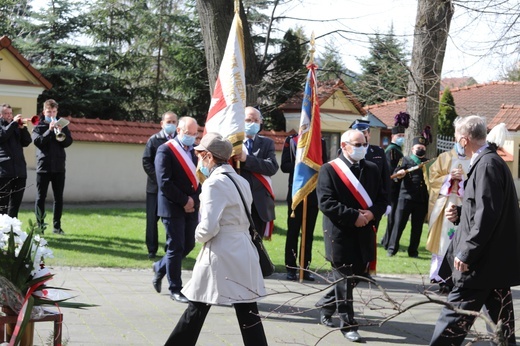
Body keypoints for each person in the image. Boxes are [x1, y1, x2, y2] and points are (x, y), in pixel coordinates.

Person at [164, 132, 267, 345]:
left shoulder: (214, 183)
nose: (198, 159)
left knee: (198, 306)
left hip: (221, 250)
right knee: (247, 310)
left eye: (201, 154)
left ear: (209, 157)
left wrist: (197, 235)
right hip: (242, 248)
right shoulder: (240, 180)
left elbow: (209, 226)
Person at [430, 116, 520, 345]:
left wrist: (467, 252)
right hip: (491, 261)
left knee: (453, 321)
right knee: (503, 325)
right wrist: (461, 215)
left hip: (479, 263)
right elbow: (484, 209)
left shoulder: (487, 164)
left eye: (455, 139)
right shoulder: (489, 161)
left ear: (463, 140)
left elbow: (487, 214)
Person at [315, 129, 387, 343]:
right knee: (344, 278)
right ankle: (348, 325)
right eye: (357, 144)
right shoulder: (329, 170)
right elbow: (326, 203)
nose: (362, 148)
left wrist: (373, 213)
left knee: (355, 276)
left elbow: (383, 198)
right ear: (344, 146)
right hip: (339, 232)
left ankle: (326, 305)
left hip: (364, 231)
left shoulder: (372, 169)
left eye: (364, 144)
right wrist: (353, 216)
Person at [152, 116, 201, 303]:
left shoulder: (196, 152)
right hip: (172, 207)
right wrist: (184, 201)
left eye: (195, 134)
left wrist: (194, 201)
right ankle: (175, 289)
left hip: (191, 206)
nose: (192, 137)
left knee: (188, 245)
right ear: (178, 131)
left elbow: (200, 180)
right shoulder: (165, 150)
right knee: (176, 246)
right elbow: (164, 182)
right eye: (188, 133)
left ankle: (160, 267)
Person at [281, 133, 327, 281]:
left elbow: (324, 165)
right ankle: (291, 268)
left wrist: (313, 165)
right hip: (296, 192)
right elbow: (284, 166)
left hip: (313, 193)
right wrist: (301, 164)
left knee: (308, 233)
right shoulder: (292, 141)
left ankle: (305, 268)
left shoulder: (320, 141)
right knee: (293, 232)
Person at [426, 144, 470, 293]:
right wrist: (449, 177)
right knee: (444, 241)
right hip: (447, 204)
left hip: (466, 206)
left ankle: (459, 277)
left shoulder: (475, 159)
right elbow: (432, 178)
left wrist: (463, 179)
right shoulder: (444, 158)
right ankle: (441, 277)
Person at [350, 119, 390, 278]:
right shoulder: (348, 151)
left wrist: (388, 203)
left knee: (370, 236)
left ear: (369, 134)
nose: (363, 135)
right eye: (360, 132)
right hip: (354, 201)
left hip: (373, 204)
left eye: (365, 132)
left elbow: (385, 178)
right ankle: (353, 266)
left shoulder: (378, 152)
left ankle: (367, 268)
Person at [233, 106, 279, 237]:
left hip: (259, 204)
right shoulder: (233, 143)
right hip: (238, 201)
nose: (252, 123)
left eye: (256, 120)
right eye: (248, 120)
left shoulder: (267, 143)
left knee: (256, 246)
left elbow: (272, 167)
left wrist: (246, 159)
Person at [32, 99, 73, 234]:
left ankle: (57, 227)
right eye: (49, 112)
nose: (52, 114)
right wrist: (50, 131)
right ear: (44, 112)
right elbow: (38, 142)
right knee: (40, 197)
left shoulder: (63, 125)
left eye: (54, 112)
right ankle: (40, 226)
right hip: (43, 166)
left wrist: (61, 133)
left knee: (58, 198)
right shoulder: (39, 126)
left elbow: (68, 142)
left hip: (59, 167)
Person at [142, 111, 178, 259]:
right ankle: (152, 249)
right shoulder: (154, 140)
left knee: (171, 219)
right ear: (162, 124)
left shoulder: (179, 141)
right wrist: (160, 179)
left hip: (173, 189)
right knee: (152, 220)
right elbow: (146, 162)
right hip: (154, 188)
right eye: (168, 122)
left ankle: (170, 248)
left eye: (174, 122)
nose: (171, 125)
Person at [386, 136, 429, 257]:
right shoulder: (405, 160)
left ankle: (413, 251)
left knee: (417, 227)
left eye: (422, 147)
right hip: (405, 198)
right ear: (412, 149)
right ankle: (392, 249)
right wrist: (399, 174)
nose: (420, 149)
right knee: (399, 224)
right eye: (418, 147)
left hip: (421, 200)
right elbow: (395, 174)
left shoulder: (428, 162)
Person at [0, 104, 32, 218]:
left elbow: (27, 141)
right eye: (6, 114)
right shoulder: (3, 126)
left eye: (10, 113)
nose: (9, 116)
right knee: (2, 205)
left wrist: (23, 129)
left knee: (15, 204)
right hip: (4, 171)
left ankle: (13, 231)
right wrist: (13, 123)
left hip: (19, 170)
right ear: (1, 115)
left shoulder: (16, 127)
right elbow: (2, 136)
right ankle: (2, 232)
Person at [380, 125, 406, 249]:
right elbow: (391, 170)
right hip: (393, 187)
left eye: (403, 136)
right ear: (393, 137)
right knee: (392, 216)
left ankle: (387, 239)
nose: (401, 138)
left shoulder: (398, 149)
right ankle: (387, 241)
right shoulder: (392, 150)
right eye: (399, 136)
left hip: (396, 186)